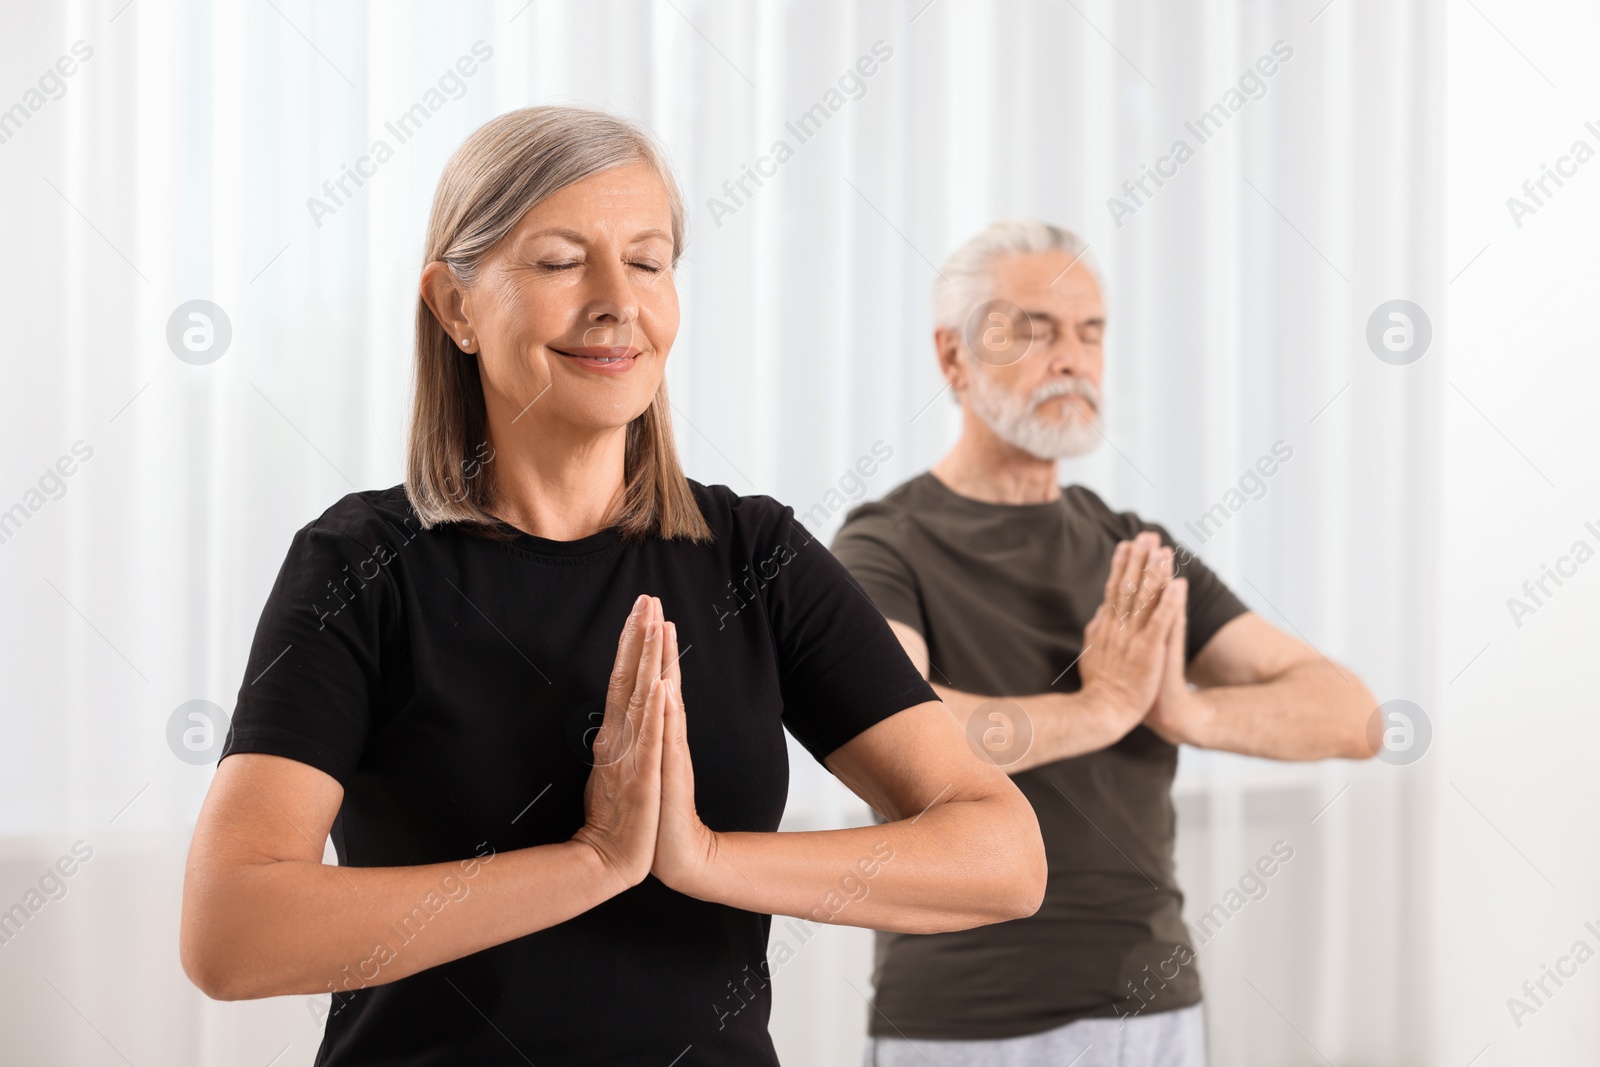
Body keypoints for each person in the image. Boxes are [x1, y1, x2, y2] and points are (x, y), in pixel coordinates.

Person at [178, 107, 1047, 1067]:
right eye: (558, 261)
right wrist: (591, 861)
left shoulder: (752, 555)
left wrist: (702, 857)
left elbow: (1002, 857)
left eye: (647, 260)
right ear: (455, 306)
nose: (616, 301)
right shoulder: (365, 564)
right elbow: (233, 929)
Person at [832, 219, 1377, 1067]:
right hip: (962, 1023)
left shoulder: (1132, 548)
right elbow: (899, 735)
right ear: (952, 358)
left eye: (1090, 332)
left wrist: (1183, 708)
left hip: (1153, 1013)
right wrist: (1100, 708)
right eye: (1036, 329)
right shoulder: (884, 544)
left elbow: (1352, 716)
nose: (1072, 358)